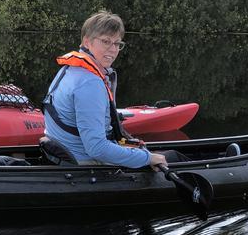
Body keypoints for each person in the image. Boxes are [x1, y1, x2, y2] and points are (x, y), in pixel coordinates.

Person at [43, 10, 181, 169]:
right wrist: (148, 158)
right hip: (85, 163)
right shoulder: (89, 83)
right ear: (87, 42)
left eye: (117, 43)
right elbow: (97, 148)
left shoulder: (69, 70)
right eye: (106, 41)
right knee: (173, 158)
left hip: (65, 155)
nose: (113, 49)